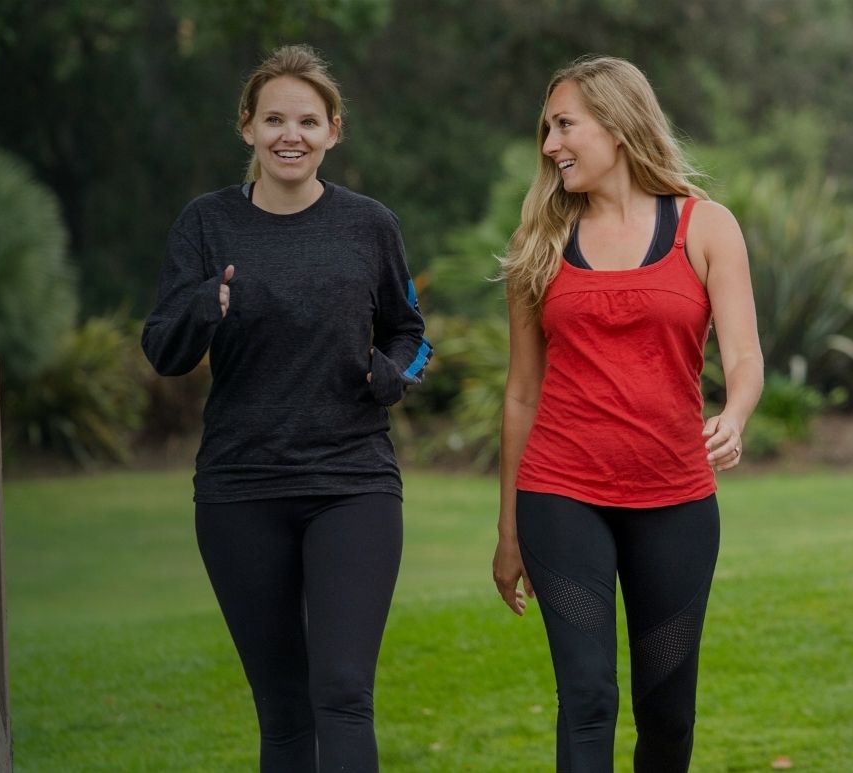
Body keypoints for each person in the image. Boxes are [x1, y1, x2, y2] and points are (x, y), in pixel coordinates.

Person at [140, 43, 429, 773]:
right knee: (284, 711)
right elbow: (162, 346)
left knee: (341, 690)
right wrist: (206, 304)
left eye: (307, 120)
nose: (289, 135)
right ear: (247, 128)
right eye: (273, 119)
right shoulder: (206, 226)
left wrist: (393, 372)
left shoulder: (371, 225)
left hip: (353, 482)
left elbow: (411, 330)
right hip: (242, 488)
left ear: (334, 130)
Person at [489, 55, 765, 773]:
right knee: (585, 695)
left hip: (674, 499)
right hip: (560, 493)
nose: (550, 144)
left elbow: (743, 355)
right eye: (546, 129)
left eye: (564, 125)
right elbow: (521, 392)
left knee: (667, 711)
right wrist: (508, 527)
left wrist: (734, 414)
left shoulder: (705, 227)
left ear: (616, 123)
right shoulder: (539, 243)